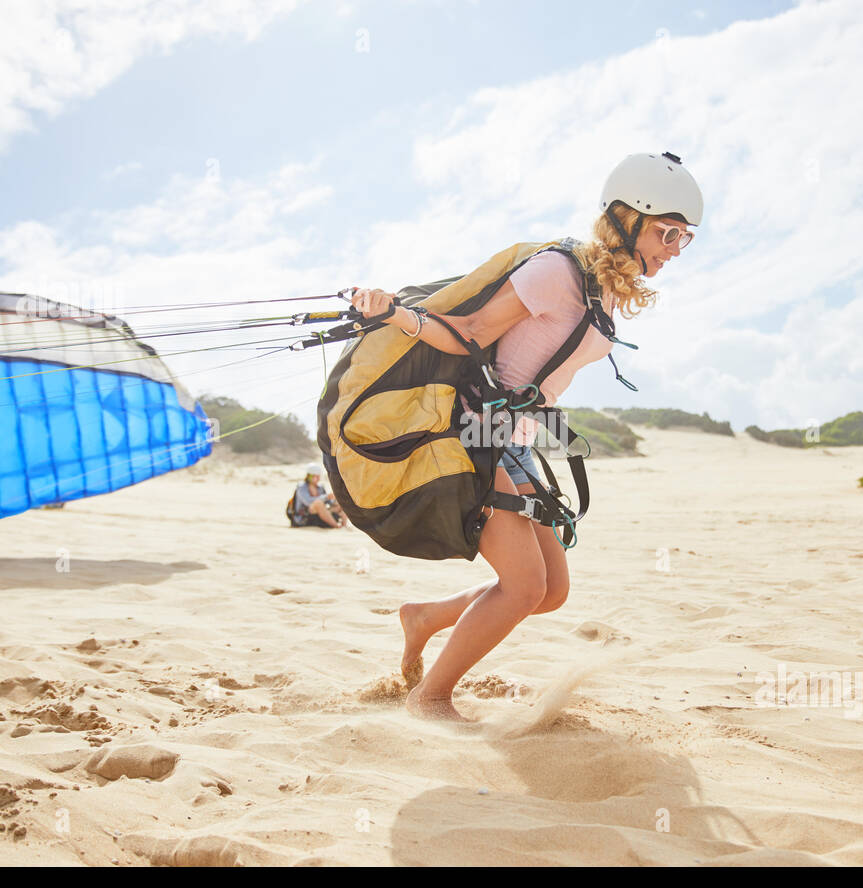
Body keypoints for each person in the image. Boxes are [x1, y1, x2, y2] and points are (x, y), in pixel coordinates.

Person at [350, 152, 702, 721]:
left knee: (550, 591)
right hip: (475, 430)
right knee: (521, 586)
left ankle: (426, 617)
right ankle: (430, 697)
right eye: (666, 233)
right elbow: (469, 332)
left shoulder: (605, 292)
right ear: (626, 219)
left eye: (683, 238)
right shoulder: (557, 272)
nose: (673, 248)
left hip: (516, 438)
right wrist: (394, 314)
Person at [288, 464, 346, 528]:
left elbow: (327, 503)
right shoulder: (301, 487)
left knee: (341, 502)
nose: (318, 478)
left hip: (318, 515)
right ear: (309, 476)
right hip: (303, 517)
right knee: (318, 503)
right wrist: (326, 497)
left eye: (318, 476)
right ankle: (336, 526)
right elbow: (308, 502)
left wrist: (334, 500)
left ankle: (344, 525)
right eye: (315, 476)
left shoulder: (320, 487)